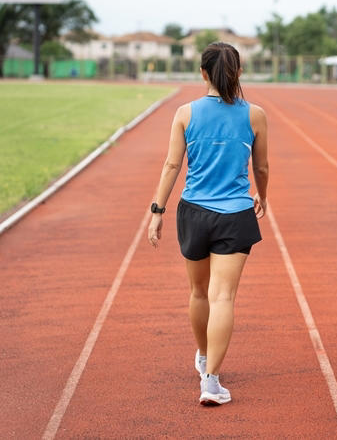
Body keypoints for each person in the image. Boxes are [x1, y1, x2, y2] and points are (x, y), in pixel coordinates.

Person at [147, 42, 269, 405]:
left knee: (200, 293)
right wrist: (262, 193)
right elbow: (261, 167)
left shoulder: (185, 113)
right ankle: (211, 382)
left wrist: (157, 211)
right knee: (224, 297)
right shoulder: (255, 114)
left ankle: (203, 357)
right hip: (235, 214)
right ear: (239, 73)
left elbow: (172, 166)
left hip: (194, 213)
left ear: (202, 73)